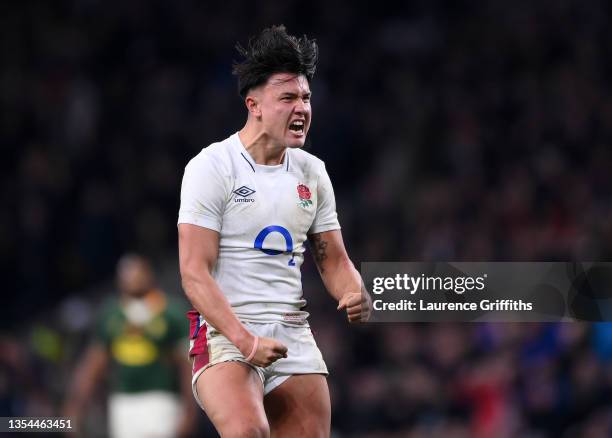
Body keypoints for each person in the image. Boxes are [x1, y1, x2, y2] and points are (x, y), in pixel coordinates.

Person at [178, 25, 372, 437]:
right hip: (224, 332)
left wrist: (353, 291)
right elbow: (194, 271)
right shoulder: (212, 167)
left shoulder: (312, 172)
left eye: (305, 97)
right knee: (250, 431)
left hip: (290, 330)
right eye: (288, 98)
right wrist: (246, 341)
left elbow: (334, 260)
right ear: (255, 105)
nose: (301, 107)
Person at [63, 254, 196, 438]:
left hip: (161, 399)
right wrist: (76, 405)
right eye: (125, 271)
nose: (131, 276)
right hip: (123, 402)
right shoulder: (111, 315)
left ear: (149, 273)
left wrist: (190, 409)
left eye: (136, 270)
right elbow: (94, 363)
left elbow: (186, 364)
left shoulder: (171, 313)